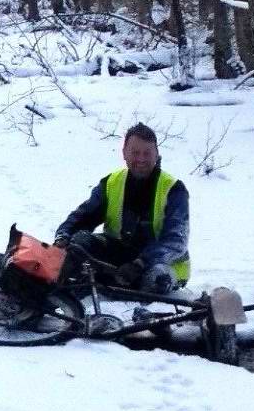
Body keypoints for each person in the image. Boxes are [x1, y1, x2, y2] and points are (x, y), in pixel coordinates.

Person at [54, 123, 190, 294]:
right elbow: (83, 217)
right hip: (120, 256)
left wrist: (140, 263)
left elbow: (176, 240)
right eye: (135, 152)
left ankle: (112, 287)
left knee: (157, 279)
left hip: (161, 262)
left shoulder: (174, 189)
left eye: (147, 153)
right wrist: (62, 239)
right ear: (124, 153)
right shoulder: (112, 182)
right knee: (78, 244)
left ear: (156, 154)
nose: (141, 159)